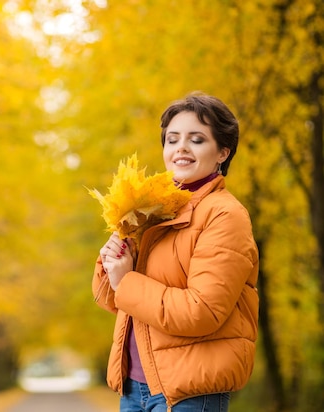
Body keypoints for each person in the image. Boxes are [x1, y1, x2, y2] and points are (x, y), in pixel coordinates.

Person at [92, 92, 259, 412]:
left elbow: (202, 311)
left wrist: (126, 281)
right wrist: (110, 265)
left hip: (188, 394)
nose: (180, 147)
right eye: (172, 139)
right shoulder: (151, 211)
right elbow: (114, 301)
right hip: (134, 388)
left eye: (196, 139)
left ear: (223, 152)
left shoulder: (224, 215)